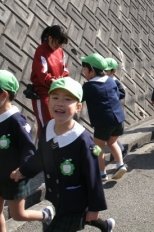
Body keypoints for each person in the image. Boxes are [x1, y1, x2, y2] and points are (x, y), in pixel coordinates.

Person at [11, 77, 115, 232]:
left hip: (75, 201)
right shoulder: (48, 128)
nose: (60, 103)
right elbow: (41, 157)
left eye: (67, 99)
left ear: (78, 107)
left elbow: (92, 176)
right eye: (55, 98)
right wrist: (23, 171)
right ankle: (105, 226)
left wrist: (94, 207)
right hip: (56, 197)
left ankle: (100, 222)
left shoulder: (83, 140)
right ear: (48, 102)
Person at [0, 70, 53, 231]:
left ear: (3, 95)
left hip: (14, 176)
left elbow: (28, 148)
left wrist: (23, 170)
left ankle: (46, 214)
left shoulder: (16, 120)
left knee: (17, 214)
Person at [81, 53, 126, 181]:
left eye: (85, 69)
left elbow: (79, 98)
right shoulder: (111, 80)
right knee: (112, 142)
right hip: (118, 119)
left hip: (103, 122)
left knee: (98, 147)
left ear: (92, 70)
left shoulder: (89, 86)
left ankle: (102, 173)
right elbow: (117, 94)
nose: (84, 72)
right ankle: (120, 164)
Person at [30, 25, 70, 138]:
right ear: (50, 38)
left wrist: (64, 80)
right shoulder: (41, 50)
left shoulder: (60, 51)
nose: (58, 46)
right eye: (57, 43)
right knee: (45, 125)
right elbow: (43, 74)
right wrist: (53, 81)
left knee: (56, 124)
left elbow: (65, 70)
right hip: (43, 93)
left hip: (57, 91)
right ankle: (44, 152)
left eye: (60, 44)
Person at [104, 58, 128, 158]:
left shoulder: (115, 82)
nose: (104, 72)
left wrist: (112, 94)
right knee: (109, 136)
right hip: (105, 111)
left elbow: (123, 93)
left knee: (111, 136)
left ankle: (121, 150)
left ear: (113, 71)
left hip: (113, 111)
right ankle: (121, 150)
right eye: (103, 70)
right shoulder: (102, 80)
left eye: (106, 70)